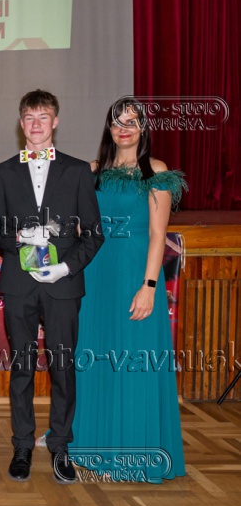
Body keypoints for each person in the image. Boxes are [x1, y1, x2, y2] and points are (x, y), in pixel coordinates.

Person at [69, 98, 187, 483]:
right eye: (118, 122)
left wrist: (149, 286)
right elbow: (81, 228)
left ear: (143, 128)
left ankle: (136, 451)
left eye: (132, 122)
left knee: (135, 358)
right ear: (109, 128)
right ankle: (91, 446)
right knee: (95, 358)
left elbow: (158, 234)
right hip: (95, 274)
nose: (124, 129)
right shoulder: (92, 172)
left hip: (136, 273)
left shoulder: (156, 171)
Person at [0, 89, 105, 484]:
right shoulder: (3, 171)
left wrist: (65, 267)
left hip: (63, 285)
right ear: (20, 123)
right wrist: (19, 237)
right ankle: (22, 445)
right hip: (19, 284)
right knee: (21, 367)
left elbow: (94, 233)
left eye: (43, 117)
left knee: (63, 368)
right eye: (29, 117)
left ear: (55, 121)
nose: (36, 124)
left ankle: (60, 447)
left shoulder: (77, 170)